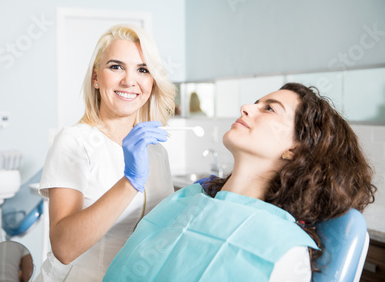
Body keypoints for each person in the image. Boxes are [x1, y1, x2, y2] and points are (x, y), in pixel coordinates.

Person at [104, 82, 376, 282]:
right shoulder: (186, 201)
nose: (246, 107)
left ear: (295, 148)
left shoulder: (282, 251)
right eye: (255, 102)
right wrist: (130, 181)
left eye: (269, 108)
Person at [35, 24, 176, 281]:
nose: (129, 81)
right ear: (96, 78)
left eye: (142, 70)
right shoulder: (74, 142)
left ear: (152, 82)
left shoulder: (157, 153)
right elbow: (63, 248)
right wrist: (130, 182)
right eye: (116, 66)